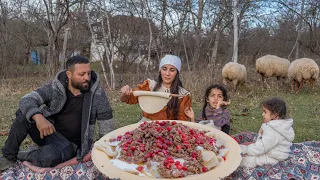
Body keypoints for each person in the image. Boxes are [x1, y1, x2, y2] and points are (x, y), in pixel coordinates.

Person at [0, 55, 115, 172]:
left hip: (69, 145)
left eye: (89, 73)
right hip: (48, 132)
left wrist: (107, 152)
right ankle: (8, 157)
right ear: (69, 75)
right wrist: (39, 117)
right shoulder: (54, 87)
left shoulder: (98, 94)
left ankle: (24, 155)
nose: (87, 78)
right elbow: (26, 100)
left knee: (47, 158)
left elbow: (107, 126)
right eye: (82, 74)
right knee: (24, 115)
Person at [120, 54, 192, 121]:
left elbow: (182, 120)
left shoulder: (183, 95)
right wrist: (125, 92)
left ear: (177, 73)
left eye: (172, 70)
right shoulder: (150, 86)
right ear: (160, 70)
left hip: (168, 127)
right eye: (164, 69)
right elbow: (127, 99)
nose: (167, 74)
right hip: (146, 124)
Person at [239, 97, 294, 168]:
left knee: (247, 161)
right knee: (246, 149)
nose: (262, 114)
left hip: (273, 157)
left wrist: (247, 150)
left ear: (275, 115)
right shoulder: (277, 125)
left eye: (265, 112)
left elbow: (261, 147)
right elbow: (264, 142)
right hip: (272, 152)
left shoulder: (273, 130)